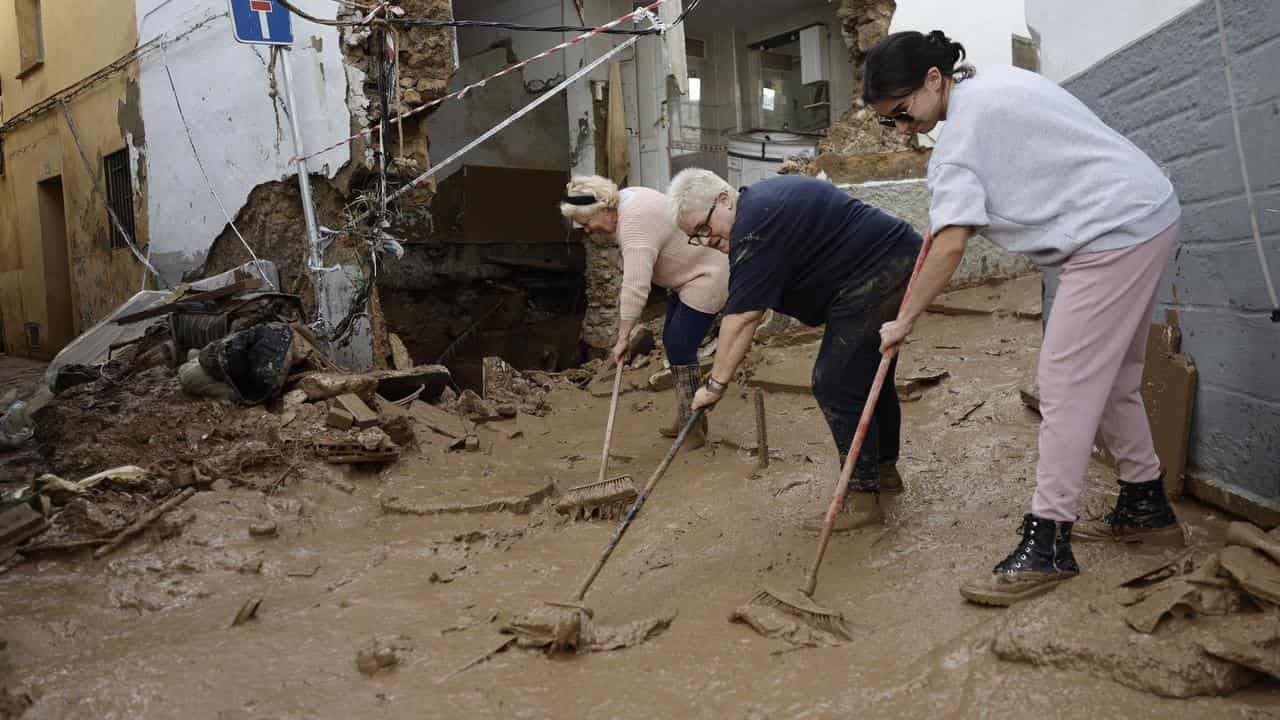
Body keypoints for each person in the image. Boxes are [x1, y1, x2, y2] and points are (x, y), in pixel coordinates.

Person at [862, 30, 1185, 606]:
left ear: (934, 79)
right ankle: (1146, 506)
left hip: (1110, 235)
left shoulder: (959, 137)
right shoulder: (990, 84)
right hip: (1145, 212)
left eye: (904, 113)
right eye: (892, 122)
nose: (905, 129)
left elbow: (951, 244)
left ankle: (1049, 544)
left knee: (1062, 385)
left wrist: (904, 320)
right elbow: (945, 228)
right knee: (1111, 380)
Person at [669, 170, 923, 530]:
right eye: (695, 237)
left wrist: (715, 386)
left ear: (724, 200)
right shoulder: (759, 211)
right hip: (885, 264)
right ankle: (883, 472)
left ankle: (863, 498)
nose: (704, 240)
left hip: (881, 270)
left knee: (835, 381)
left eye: (703, 228)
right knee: (864, 378)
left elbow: (744, 317)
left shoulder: (754, 222)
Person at [561, 175, 728, 449]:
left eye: (585, 223)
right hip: (687, 276)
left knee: (679, 345)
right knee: (675, 344)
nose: (586, 230)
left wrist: (623, 337)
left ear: (602, 209)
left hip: (707, 275)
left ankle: (693, 428)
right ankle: (689, 415)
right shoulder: (627, 198)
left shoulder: (634, 223)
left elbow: (636, 285)